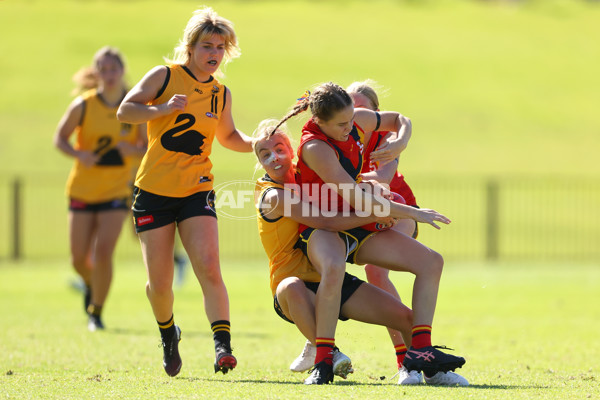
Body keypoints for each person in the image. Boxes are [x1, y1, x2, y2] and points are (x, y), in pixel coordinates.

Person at [268, 82, 466, 385]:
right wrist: (413, 213)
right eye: (342, 124)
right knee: (333, 267)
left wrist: (401, 141)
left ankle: (422, 352)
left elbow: (399, 119)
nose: (352, 127)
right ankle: (323, 361)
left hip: (360, 221)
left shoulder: (355, 119)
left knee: (431, 262)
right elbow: (356, 200)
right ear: (319, 122)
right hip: (326, 225)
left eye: (352, 119)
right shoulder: (315, 147)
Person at [116, 7, 253, 377]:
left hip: (197, 190)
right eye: (207, 45)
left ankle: (222, 346)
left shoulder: (220, 94)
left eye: (221, 47)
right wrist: (161, 107)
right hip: (153, 193)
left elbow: (228, 138)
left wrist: (260, 143)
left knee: (208, 266)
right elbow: (125, 111)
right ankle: (168, 334)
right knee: (159, 285)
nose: (215, 53)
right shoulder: (165, 76)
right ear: (190, 47)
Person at [253, 121, 413, 384]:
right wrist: (373, 214)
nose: (274, 158)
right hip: (294, 291)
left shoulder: (306, 173)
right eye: (265, 155)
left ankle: (419, 368)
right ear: (260, 162)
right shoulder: (272, 196)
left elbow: (350, 184)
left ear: (292, 151)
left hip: (330, 281)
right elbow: (325, 222)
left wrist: (388, 169)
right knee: (291, 285)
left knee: (407, 319)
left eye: (279, 149)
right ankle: (326, 353)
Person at [53, 46, 147, 332]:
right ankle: (92, 285)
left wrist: (130, 149)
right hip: (82, 189)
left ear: (122, 71)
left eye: (113, 69)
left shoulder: (133, 108)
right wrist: (79, 154)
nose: (109, 75)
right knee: (79, 259)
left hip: (117, 191)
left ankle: (96, 312)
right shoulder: (84, 105)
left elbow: (145, 147)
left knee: (104, 252)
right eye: (103, 70)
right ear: (97, 73)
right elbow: (60, 138)